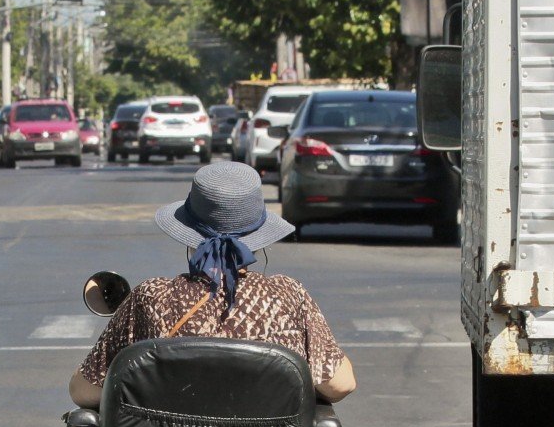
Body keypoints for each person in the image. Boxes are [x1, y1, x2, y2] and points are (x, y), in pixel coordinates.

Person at [70, 161, 355, 411]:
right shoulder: (288, 296)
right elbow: (340, 384)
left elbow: (84, 391)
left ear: (188, 234)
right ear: (260, 238)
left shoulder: (150, 297)